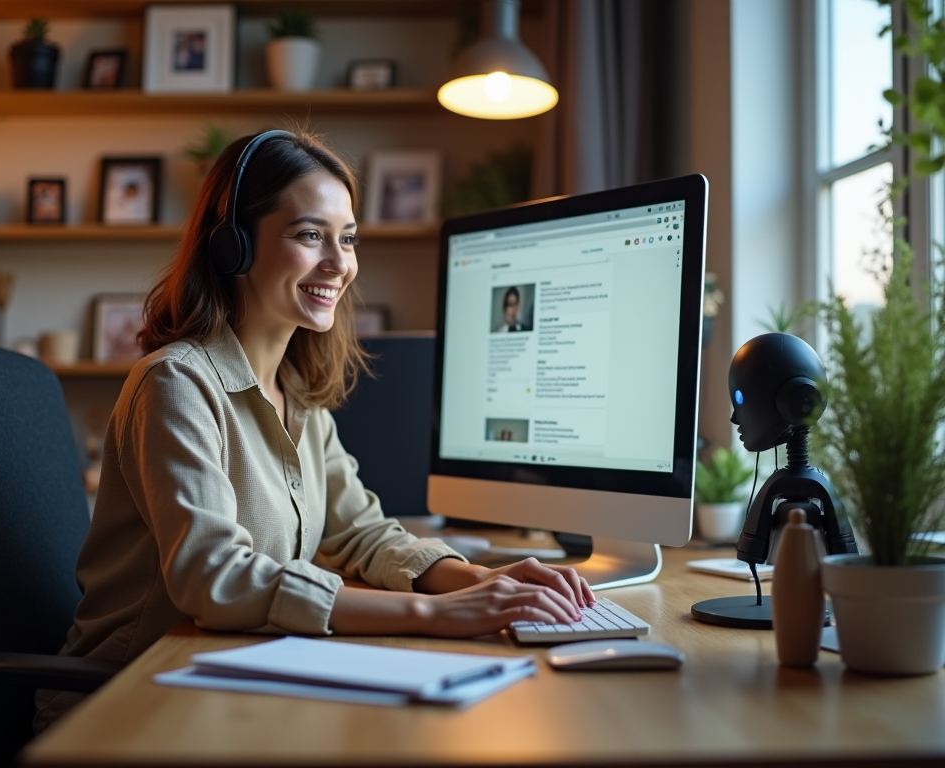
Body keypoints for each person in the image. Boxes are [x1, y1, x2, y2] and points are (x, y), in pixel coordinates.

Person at [34, 130, 593, 732]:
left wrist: (481, 580)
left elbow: (361, 534)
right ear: (234, 248)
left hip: (232, 679)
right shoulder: (176, 384)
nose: (339, 263)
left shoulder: (296, 394)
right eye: (309, 235)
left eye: (348, 239)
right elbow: (212, 576)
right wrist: (434, 615)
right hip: (129, 705)